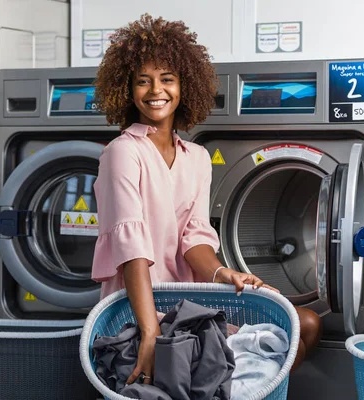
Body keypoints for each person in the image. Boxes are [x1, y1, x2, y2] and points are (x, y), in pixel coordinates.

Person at [91, 13, 321, 387]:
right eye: (143, 81)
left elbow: (194, 238)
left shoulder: (196, 157)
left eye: (167, 79)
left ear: (185, 85)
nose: (155, 91)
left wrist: (222, 272)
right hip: (139, 309)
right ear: (127, 88)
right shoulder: (122, 152)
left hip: (190, 304)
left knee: (306, 324)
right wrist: (150, 332)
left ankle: (235, 390)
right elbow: (130, 247)